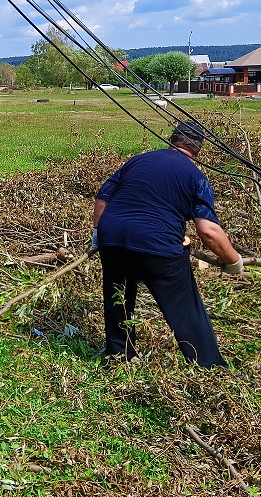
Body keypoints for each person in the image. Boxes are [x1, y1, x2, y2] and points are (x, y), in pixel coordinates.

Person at [92, 121, 244, 368]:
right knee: (184, 307)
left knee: (118, 296)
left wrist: (98, 237)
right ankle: (209, 368)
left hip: (113, 238)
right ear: (197, 152)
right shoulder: (195, 176)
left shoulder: (137, 161)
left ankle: (120, 356)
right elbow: (208, 231)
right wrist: (234, 261)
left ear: (171, 141)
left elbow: (102, 198)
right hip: (157, 244)